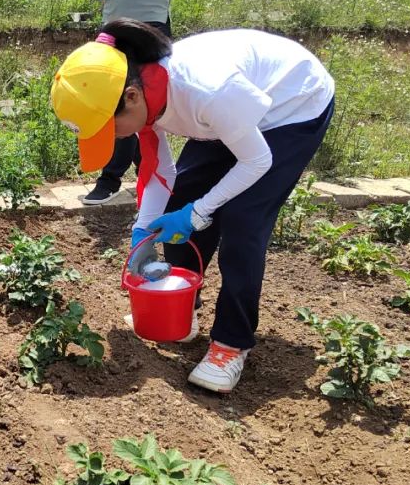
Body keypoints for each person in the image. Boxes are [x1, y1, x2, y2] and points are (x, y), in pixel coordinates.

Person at [51, 20, 335, 393]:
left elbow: (256, 162)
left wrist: (199, 213)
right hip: (230, 115)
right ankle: (181, 311)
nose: (115, 137)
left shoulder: (206, 91)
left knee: (242, 219)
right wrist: (144, 229)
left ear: (133, 97)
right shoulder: (144, 87)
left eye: (110, 127)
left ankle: (231, 345)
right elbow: (160, 170)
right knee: (183, 193)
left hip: (291, 106)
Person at [83, 0, 194, 205]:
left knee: (137, 99)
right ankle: (151, 173)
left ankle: (111, 179)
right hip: (113, 16)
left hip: (151, 18)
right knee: (113, 97)